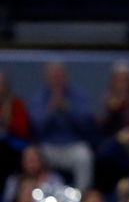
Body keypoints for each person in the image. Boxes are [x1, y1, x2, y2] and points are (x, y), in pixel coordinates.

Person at [27, 62, 94, 192]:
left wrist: (68, 110)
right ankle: (39, 197)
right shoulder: (39, 99)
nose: (57, 80)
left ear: (66, 77)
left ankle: (81, 197)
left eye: (59, 76)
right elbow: (36, 129)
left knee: (84, 156)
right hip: (47, 147)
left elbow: (86, 127)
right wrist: (50, 110)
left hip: (72, 145)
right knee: (33, 155)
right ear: (46, 78)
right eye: (53, 76)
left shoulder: (79, 97)